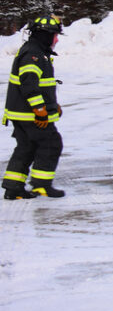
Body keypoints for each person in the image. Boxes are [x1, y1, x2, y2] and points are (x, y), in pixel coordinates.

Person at [2, 15, 67, 199]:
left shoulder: (34, 50)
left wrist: (53, 105)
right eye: (54, 35)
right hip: (30, 114)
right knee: (51, 144)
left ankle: (13, 187)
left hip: (21, 113)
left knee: (26, 147)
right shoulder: (34, 54)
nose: (57, 39)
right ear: (45, 35)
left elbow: (41, 85)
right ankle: (41, 185)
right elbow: (29, 84)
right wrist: (40, 110)